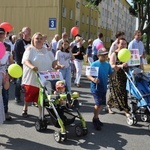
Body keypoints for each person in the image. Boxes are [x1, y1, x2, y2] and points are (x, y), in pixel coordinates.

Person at [21, 32, 58, 118]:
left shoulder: (46, 50)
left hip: (44, 77)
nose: (39, 40)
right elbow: (26, 60)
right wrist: (32, 66)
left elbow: (53, 61)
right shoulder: (30, 49)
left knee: (42, 97)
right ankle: (25, 108)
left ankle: (41, 115)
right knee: (29, 95)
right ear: (33, 40)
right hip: (33, 77)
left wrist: (56, 65)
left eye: (40, 39)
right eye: (37, 38)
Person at [87, 47, 114, 130]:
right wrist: (93, 79)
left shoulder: (107, 64)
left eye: (106, 55)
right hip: (95, 87)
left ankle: (97, 117)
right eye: (103, 55)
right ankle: (95, 119)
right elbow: (88, 75)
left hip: (103, 87)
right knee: (98, 104)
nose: (105, 56)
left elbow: (111, 75)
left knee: (101, 104)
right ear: (98, 55)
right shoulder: (94, 64)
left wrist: (115, 70)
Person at [107, 38, 130, 117]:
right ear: (118, 44)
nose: (123, 45)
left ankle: (109, 105)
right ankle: (125, 109)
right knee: (121, 92)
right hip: (116, 74)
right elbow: (111, 65)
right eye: (122, 43)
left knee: (117, 92)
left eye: (125, 44)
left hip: (125, 75)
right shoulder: (114, 54)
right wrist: (121, 65)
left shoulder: (127, 53)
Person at [14, 27, 31, 103]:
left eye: (30, 31)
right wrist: (19, 65)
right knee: (19, 81)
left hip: (30, 65)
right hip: (20, 65)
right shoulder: (19, 42)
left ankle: (30, 97)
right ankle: (17, 97)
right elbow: (16, 54)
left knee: (30, 82)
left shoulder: (31, 42)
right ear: (23, 33)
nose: (29, 32)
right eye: (27, 31)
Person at [0, 28, 13, 121]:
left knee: (6, 92)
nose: (1, 35)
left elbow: (10, 60)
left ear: (5, 35)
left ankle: (5, 112)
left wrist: (10, 72)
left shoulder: (8, 46)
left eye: (2, 33)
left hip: (5, 70)